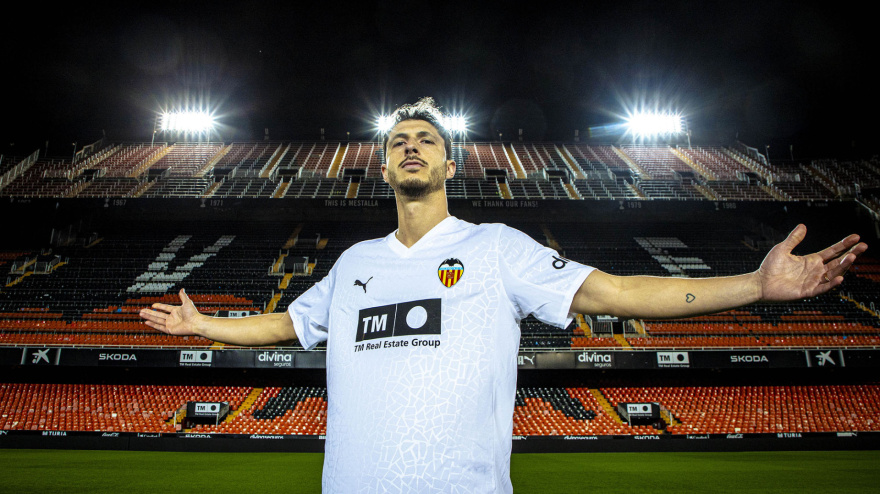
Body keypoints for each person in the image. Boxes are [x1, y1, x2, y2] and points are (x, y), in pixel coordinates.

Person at [140, 97, 867, 493]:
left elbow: (617, 290)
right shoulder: (355, 262)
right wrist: (204, 326)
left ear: (451, 163)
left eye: (425, 138)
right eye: (398, 143)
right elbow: (284, 328)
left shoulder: (496, 248)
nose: (411, 147)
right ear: (385, 169)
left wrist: (755, 284)